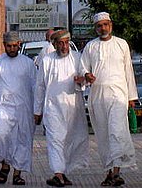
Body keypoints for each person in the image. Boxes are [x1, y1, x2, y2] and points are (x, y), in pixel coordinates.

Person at [79, 12, 137, 187]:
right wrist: (86, 75)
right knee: (103, 134)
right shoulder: (90, 46)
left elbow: (128, 70)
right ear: (95, 28)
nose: (102, 28)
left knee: (117, 132)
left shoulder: (121, 44)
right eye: (99, 26)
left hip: (119, 95)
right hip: (98, 96)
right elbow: (82, 68)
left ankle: (117, 171)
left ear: (110, 25)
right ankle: (109, 172)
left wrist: (131, 97)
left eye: (105, 24)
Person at [0, 31, 35, 185]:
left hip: (23, 109)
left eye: (14, 46)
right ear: (4, 46)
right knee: (0, 137)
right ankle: (5, 165)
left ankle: (17, 174)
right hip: (1, 108)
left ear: (19, 45)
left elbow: (36, 87)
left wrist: (37, 110)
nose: (12, 49)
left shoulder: (28, 64)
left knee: (22, 141)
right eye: (9, 46)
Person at [34, 29, 88, 187]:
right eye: (60, 43)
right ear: (54, 45)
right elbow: (40, 87)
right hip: (53, 108)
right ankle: (58, 174)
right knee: (55, 140)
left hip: (73, 108)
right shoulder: (47, 60)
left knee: (70, 141)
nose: (64, 46)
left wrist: (82, 80)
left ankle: (63, 173)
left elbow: (84, 77)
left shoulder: (77, 58)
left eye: (66, 43)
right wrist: (37, 111)